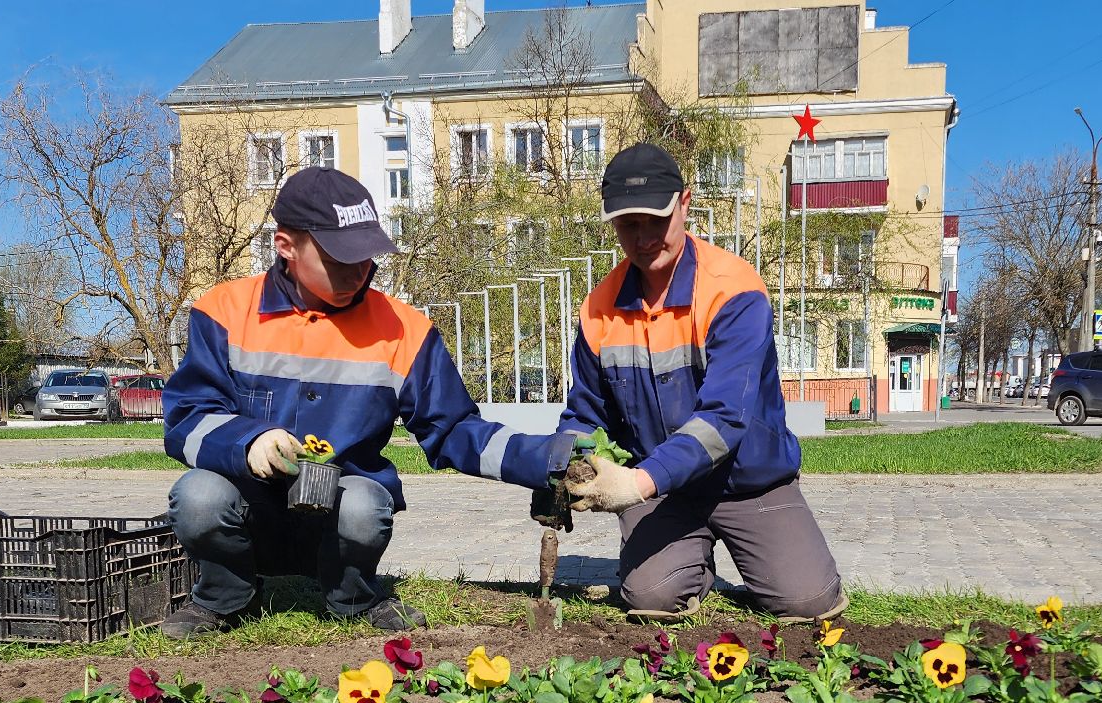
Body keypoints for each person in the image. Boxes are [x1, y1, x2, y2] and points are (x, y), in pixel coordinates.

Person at [160, 167, 572, 639]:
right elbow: (186, 417)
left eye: (365, 255)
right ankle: (224, 598)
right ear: (286, 246)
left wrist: (547, 459)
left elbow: (455, 431)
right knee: (198, 496)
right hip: (249, 507)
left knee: (363, 505)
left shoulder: (404, 329)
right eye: (339, 257)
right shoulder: (223, 311)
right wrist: (248, 441)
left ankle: (353, 597)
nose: (357, 271)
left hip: (341, 513)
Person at [539, 143, 846, 623]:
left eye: (656, 221)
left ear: (684, 204)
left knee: (808, 601)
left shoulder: (733, 290)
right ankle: (689, 564)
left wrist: (635, 483)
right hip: (663, 494)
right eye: (628, 224)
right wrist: (563, 472)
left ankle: (729, 546)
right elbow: (586, 411)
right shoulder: (599, 308)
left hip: (747, 482)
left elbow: (724, 419)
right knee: (651, 597)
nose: (643, 239)